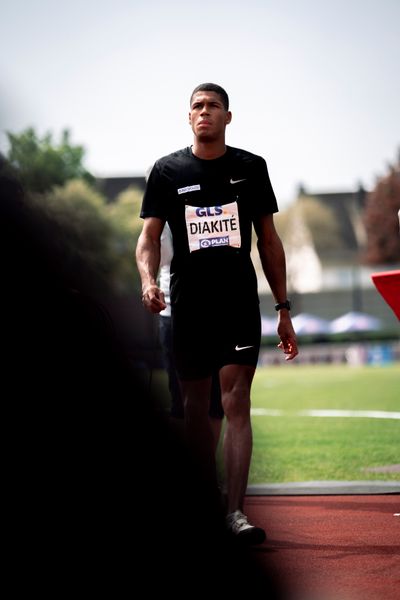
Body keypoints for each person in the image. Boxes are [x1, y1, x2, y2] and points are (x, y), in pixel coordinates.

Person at [136, 82, 298, 545]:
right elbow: (148, 238)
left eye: (213, 106)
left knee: (235, 402)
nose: (204, 112)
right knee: (194, 408)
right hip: (188, 306)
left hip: (237, 304)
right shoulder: (167, 171)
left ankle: (236, 513)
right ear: (188, 118)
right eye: (197, 107)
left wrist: (283, 308)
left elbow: (269, 240)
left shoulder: (250, 168)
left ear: (228, 117)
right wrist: (149, 281)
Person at [158, 221, 224, 451]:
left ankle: (208, 470)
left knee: (216, 399)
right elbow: (157, 257)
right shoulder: (158, 219)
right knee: (179, 399)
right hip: (172, 310)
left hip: (214, 309)